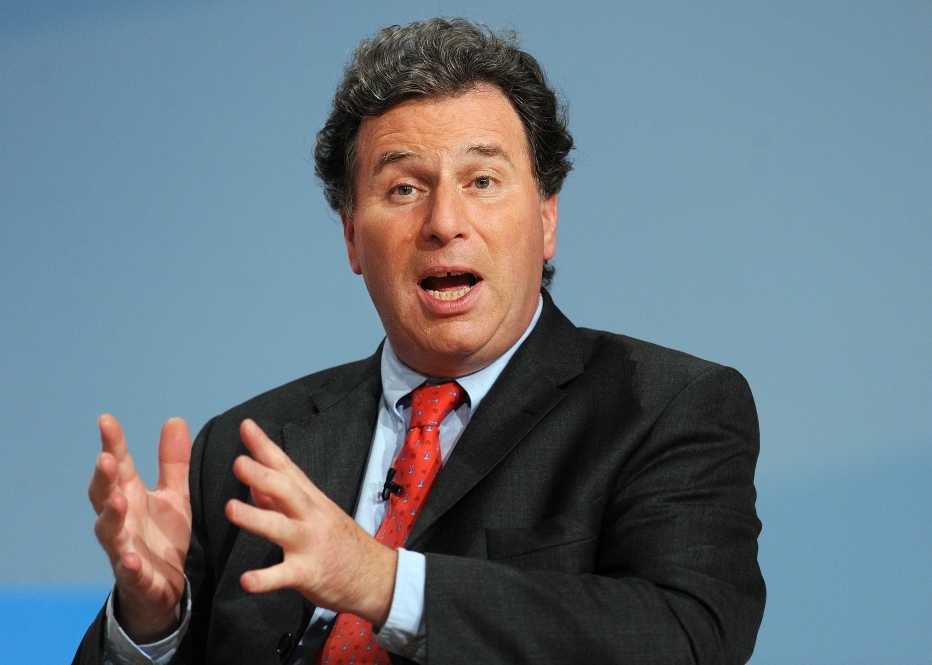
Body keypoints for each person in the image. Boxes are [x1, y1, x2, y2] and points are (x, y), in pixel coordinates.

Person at [74, 18, 765, 665]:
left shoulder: (664, 408)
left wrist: (384, 581)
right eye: (404, 188)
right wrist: (151, 623)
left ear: (547, 218)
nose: (444, 222)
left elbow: (685, 633)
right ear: (350, 234)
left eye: (482, 180)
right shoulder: (248, 449)